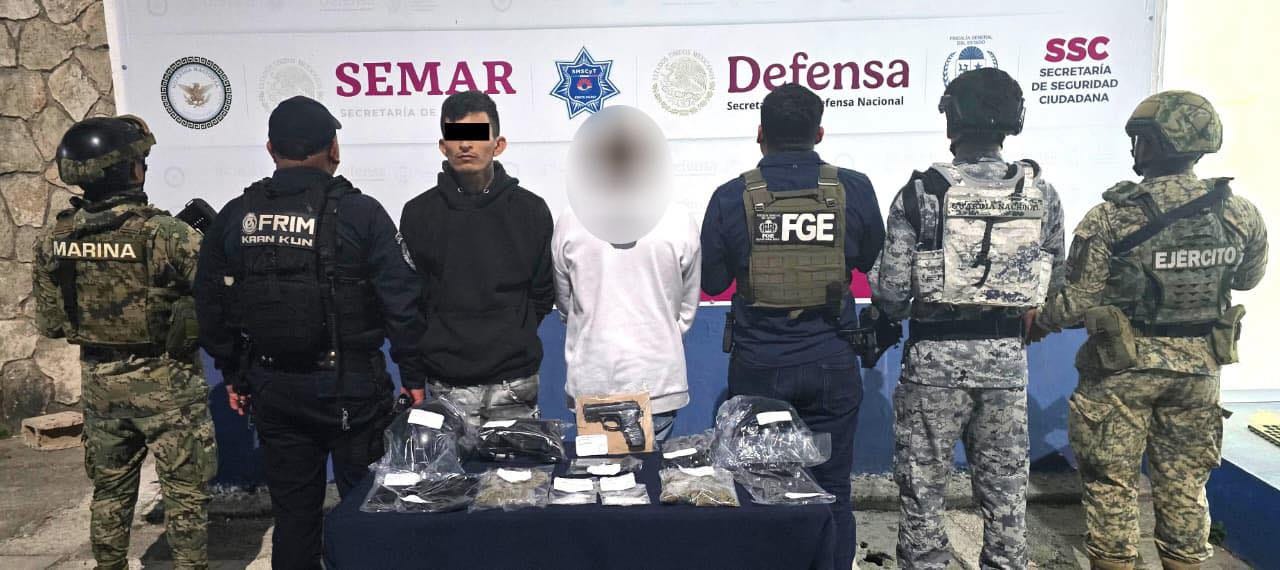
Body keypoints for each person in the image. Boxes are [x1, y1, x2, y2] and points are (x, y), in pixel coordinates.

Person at [1031, 91, 1268, 570]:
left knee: (1111, 484)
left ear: (1154, 144)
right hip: (1199, 371)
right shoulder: (1237, 212)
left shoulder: (1113, 215)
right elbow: (1247, 278)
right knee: (1185, 484)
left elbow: (1079, 299)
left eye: (1139, 139)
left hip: (1121, 371)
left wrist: (1039, 321)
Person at [193, 96, 427, 569]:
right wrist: (414, 376)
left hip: (274, 388)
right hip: (352, 390)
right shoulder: (361, 213)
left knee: (294, 518)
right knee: (366, 512)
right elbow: (401, 300)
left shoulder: (237, 216)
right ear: (333, 148)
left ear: (271, 148)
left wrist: (234, 373)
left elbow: (211, 303)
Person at [869, 67, 1066, 569]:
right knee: (1005, 495)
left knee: (922, 489)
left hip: (933, 365)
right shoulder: (1040, 193)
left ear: (952, 120)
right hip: (1005, 364)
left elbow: (892, 293)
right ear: (1013, 120)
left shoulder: (923, 192)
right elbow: (1053, 283)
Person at [701, 82, 885, 570]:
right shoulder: (854, 189)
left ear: (760, 133)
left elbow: (713, 280)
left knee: (761, 489)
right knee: (833, 488)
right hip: (831, 363)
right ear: (819, 132)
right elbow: (872, 258)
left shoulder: (731, 196)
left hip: (759, 367)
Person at [32, 115, 216, 570]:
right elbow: (218, 298)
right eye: (139, 161)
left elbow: (53, 324)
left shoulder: (56, 240)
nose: (143, 167)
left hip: (101, 388)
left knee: (110, 492)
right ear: (126, 170)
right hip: (168, 385)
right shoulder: (167, 234)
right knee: (185, 494)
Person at [399, 90, 556, 424]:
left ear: (498, 145)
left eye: (476, 135)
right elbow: (412, 299)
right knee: (450, 464)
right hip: (446, 381)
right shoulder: (418, 213)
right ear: (443, 146)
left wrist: (513, 333)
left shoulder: (531, 210)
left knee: (518, 463)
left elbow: (543, 293)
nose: (466, 145)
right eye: (456, 136)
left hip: (515, 380)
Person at [552, 105, 701, 441]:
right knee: (649, 475)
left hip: (593, 376)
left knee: (597, 474)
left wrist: (598, 330)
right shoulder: (680, 218)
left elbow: (565, 305)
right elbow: (687, 310)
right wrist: (656, 334)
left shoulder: (569, 219)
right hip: (657, 379)